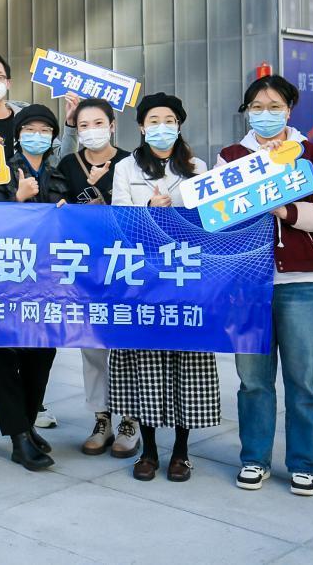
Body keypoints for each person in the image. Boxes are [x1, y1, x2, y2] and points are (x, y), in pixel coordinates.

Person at [222, 76, 313, 498]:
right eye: (257, 107)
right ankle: (254, 459)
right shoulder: (232, 158)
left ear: (289, 109)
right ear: (247, 112)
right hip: (249, 286)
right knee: (253, 380)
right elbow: (216, 215)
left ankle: (304, 463)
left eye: (274, 106)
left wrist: (287, 211)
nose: (265, 114)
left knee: (303, 378)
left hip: (302, 285)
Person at [108, 93, 219, 482]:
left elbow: (208, 221)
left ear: (179, 124)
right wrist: (149, 213)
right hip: (142, 280)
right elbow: (118, 220)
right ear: (141, 127)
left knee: (186, 364)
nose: (161, 126)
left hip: (185, 278)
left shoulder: (198, 168)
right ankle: (150, 452)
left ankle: (182, 453)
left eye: (169, 120)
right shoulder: (126, 168)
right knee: (146, 367)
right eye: (153, 120)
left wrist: (179, 216)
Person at [0, 52, 72, 433]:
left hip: (43, 270)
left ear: (9, 81)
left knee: (39, 338)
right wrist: (16, 195)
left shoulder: (54, 170)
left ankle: (32, 403)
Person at [0, 104, 69, 470]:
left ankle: (28, 423)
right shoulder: (1, 170)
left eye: (44, 130)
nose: (37, 135)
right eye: (30, 129)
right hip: (5, 280)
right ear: (18, 135)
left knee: (41, 354)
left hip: (46, 281)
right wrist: (18, 198)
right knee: (3, 356)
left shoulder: (58, 175)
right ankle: (18, 437)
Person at [56, 98, 139, 458]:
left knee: (129, 346)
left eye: (98, 123)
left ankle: (131, 420)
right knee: (92, 347)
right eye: (83, 125)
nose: (91, 131)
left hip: (126, 267)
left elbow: (139, 217)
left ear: (112, 125)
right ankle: (101, 418)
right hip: (86, 268)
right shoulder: (68, 165)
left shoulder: (131, 163)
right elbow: (56, 211)